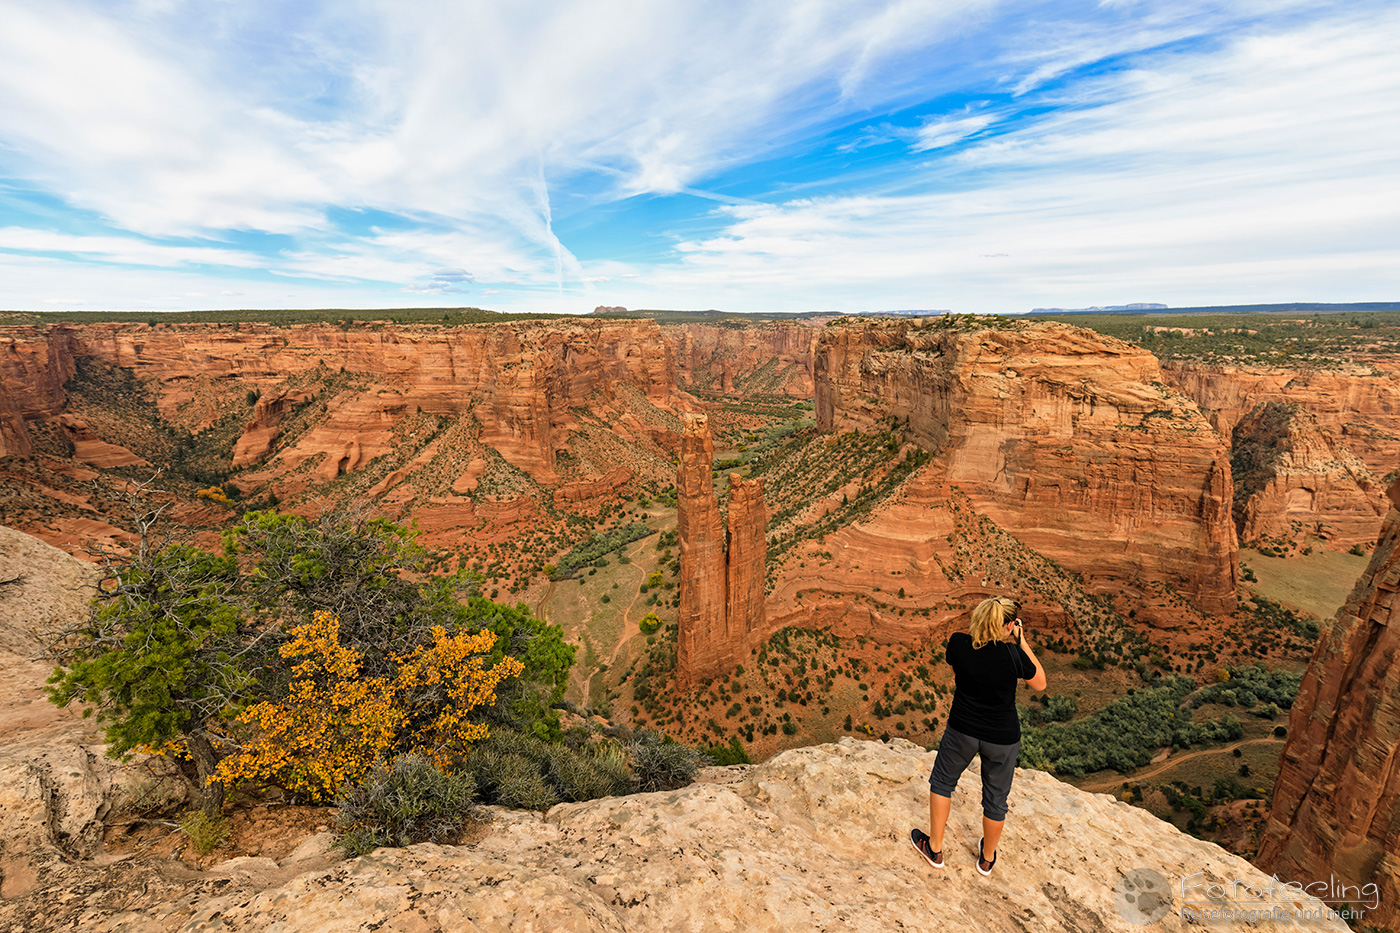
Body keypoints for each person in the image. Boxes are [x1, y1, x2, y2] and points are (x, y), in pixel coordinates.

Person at [911, 596, 1046, 876]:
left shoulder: (958, 643)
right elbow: (1040, 684)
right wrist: (1020, 640)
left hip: (963, 728)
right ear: (1008, 625)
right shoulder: (1013, 655)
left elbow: (963, 670)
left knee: (942, 782)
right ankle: (986, 859)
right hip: (1002, 737)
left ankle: (934, 849)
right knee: (996, 799)